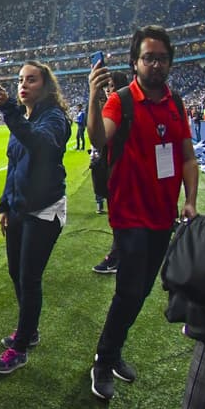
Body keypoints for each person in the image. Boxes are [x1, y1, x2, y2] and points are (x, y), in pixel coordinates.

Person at [87, 25, 198, 402]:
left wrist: (191, 201)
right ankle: (103, 360)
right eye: (148, 57)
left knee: (142, 290)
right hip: (130, 213)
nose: (156, 64)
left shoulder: (177, 104)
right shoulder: (121, 101)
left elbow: (187, 157)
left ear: (170, 62)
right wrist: (92, 96)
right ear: (135, 62)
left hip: (162, 215)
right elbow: (99, 140)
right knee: (130, 289)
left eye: (162, 58)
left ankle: (113, 351)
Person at [0, 61, 71, 374]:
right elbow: (13, 166)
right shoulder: (25, 116)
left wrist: (8, 107)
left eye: (31, 80)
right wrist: (3, 205)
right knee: (15, 272)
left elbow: (39, 144)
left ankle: (20, 348)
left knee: (29, 278)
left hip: (44, 209)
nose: (23, 85)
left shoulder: (55, 118)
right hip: (20, 207)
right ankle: (28, 330)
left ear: (46, 86)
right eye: (21, 79)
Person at [90, 71, 131, 271]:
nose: (108, 90)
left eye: (112, 86)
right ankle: (120, 255)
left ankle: (117, 256)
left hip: (123, 173)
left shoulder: (123, 108)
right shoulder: (113, 107)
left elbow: (101, 138)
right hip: (113, 171)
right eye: (107, 87)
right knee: (118, 218)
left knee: (121, 219)